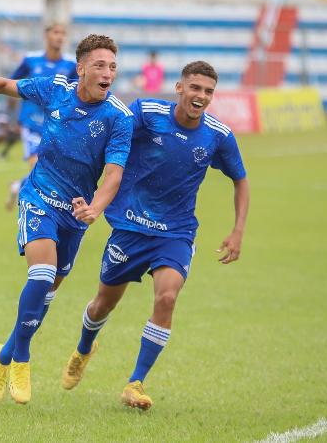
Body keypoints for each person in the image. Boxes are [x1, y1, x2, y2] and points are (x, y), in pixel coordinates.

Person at [0, 34, 133, 406]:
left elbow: (114, 174)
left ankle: (3, 354)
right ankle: (21, 358)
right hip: (38, 198)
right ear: (81, 68)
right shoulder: (55, 90)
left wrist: (96, 207)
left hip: (76, 211)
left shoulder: (118, 117)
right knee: (42, 274)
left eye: (113, 66)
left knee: (47, 293)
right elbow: (4, 85)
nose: (107, 73)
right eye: (100, 65)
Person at [62, 60, 250, 410]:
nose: (201, 96)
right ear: (179, 88)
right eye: (195, 88)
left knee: (166, 298)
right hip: (130, 227)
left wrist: (238, 230)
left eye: (208, 91)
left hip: (175, 233)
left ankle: (136, 383)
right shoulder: (147, 113)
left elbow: (241, 179)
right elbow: (113, 139)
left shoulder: (218, 136)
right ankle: (84, 348)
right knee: (104, 302)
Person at [6, 23, 78, 210]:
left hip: (56, 125)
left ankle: (19, 186)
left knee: (49, 169)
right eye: (56, 32)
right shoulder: (30, 60)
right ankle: (38, 207)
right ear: (46, 35)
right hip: (31, 122)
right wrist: (11, 118)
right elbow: (12, 85)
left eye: (63, 33)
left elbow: (76, 93)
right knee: (37, 165)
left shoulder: (71, 64)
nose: (59, 37)